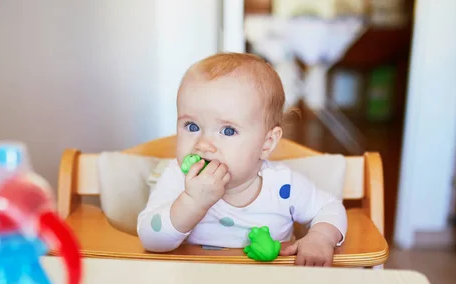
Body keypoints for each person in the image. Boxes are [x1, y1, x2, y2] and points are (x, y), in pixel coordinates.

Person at [137, 53, 347, 266]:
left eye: (228, 131)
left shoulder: (283, 185)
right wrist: (192, 202)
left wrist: (321, 238)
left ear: (266, 143)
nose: (203, 144)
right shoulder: (176, 179)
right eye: (192, 127)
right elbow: (151, 239)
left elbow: (330, 207)